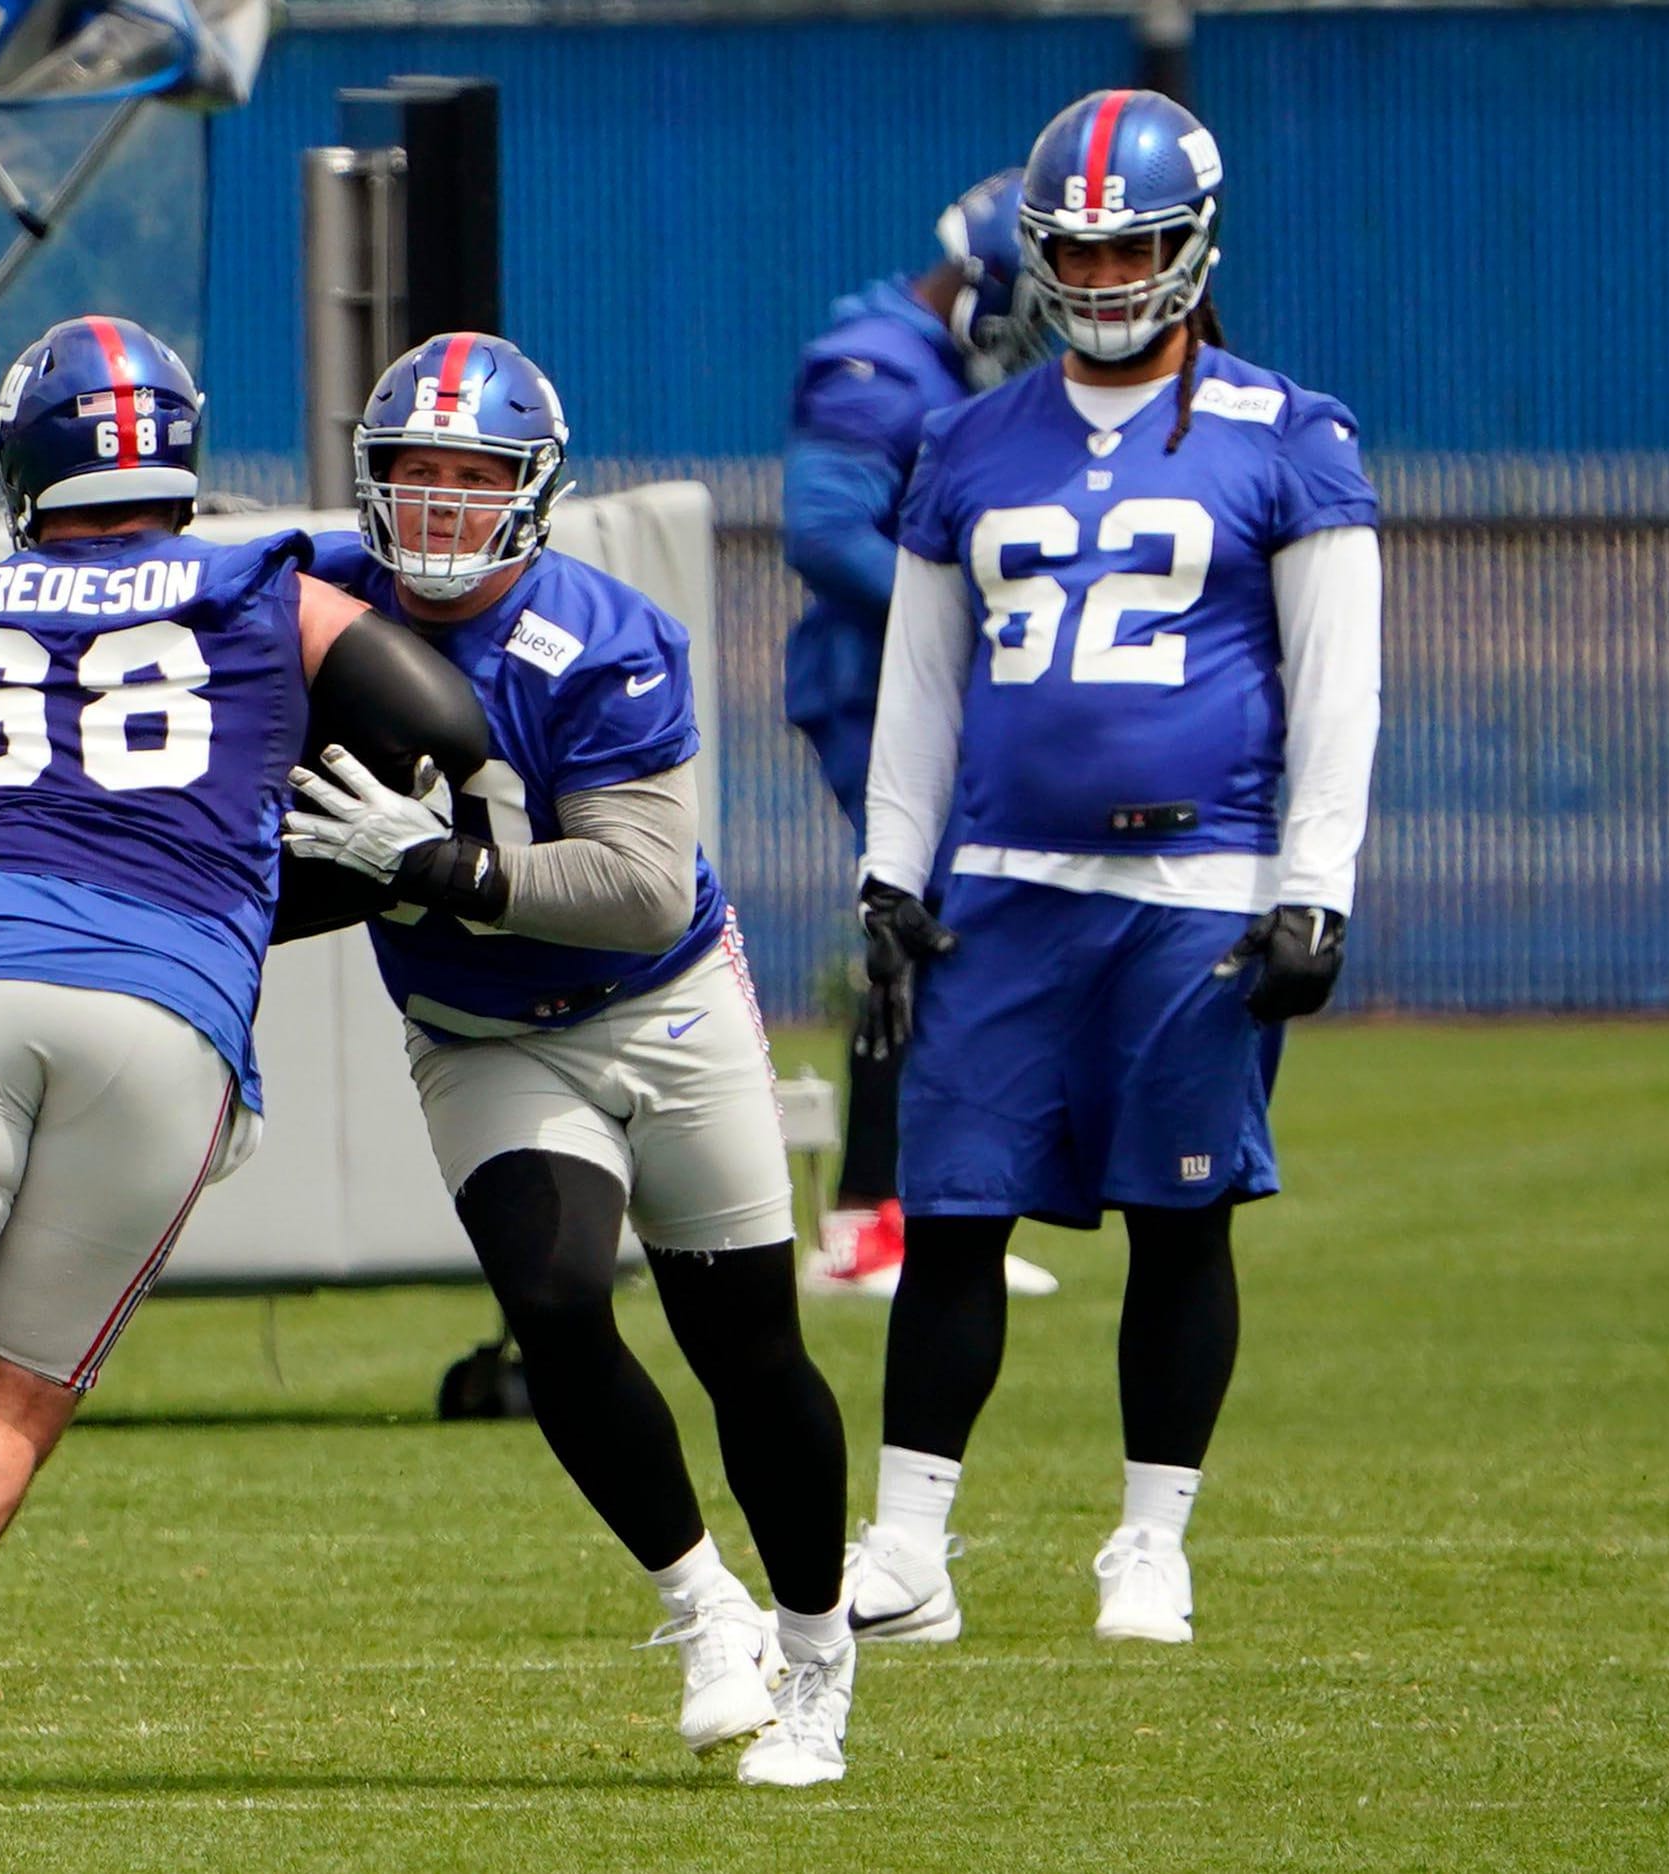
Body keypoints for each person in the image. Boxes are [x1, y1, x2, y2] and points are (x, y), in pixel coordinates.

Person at [0, 315, 488, 1807]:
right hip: (168, 1012)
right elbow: (440, 724)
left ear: (27, 459)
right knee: (15, 1404)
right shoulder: (269, 593)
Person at [286, 333, 858, 1786]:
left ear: (532, 491)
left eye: (471, 473)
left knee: (746, 1351)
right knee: (550, 1301)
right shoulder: (308, 604)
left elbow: (641, 887)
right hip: (481, 1034)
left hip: (658, 1005)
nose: (433, 499)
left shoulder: (601, 633)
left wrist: (443, 863)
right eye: (410, 469)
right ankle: (700, 1605)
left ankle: (816, 1651)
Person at [851, 91, 1381, 1648]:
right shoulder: (963, 439)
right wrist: (892, 869)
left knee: (1179, 1215)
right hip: (1005, 879)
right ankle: (906, 1547)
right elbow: (921, 678)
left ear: (1191, 242)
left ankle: (1151, 1538)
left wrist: (1317, 886)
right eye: (1074, 249)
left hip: (1200, 878)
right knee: (950, 1215)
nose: (1099, 277)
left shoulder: (1288, 433)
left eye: (1130, 244)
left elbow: (1335, 677)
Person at [780, 169, 1054, 1301]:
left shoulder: (934, 360)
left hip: (938, 688)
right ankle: (868, 1222)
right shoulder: (878, 365)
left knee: (956, 929)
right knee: (922, 923)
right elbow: (826, 530)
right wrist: (982, 606)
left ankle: (910, 1212)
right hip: (877, 689)